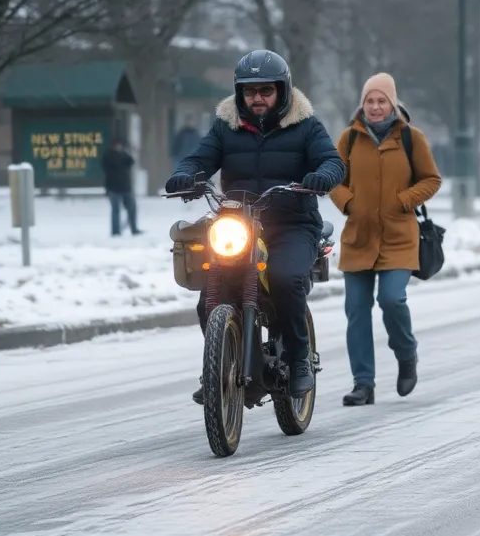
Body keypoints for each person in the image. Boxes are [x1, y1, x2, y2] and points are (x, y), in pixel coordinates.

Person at [166, 49, 344, 403]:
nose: (257, 98)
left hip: (291, 223)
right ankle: (219, 366)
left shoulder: (305, 125)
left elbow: (332, 160)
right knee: (209, 295)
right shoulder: (226, 126)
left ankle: (298, 360)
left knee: (285, 280)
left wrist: (322, 176)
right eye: (250, 92)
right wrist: (185, 175)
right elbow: (201, 157)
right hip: (238, 220)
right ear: (239, 93)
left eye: (265, 91)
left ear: (282, 91)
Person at [329, 73, 441, 407]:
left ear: (392, 103)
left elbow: (431, 179)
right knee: (356, 310)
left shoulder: (411, 138)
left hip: (398, 237)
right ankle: (363, 383)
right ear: (362, 104)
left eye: (381, 101)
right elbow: (333, 178)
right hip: (359, 238)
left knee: (392, 300)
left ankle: (407, 355)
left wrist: (405, 200)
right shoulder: (349, 138)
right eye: (370, 101)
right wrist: (348, 202)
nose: (375, 107)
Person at [102, 138, 140, 236]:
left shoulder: (123, 155)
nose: (119, 147)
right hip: (113, 187)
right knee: (116, 210)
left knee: (132, 208)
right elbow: (110, 167)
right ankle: (115, 231)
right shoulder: (108, 156)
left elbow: (130, 162)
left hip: (125, 187)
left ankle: (134, 228)